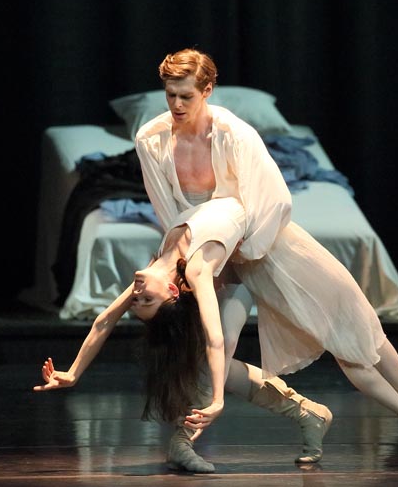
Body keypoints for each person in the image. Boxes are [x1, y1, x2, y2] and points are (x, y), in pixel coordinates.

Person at [133, 48, 398, 465]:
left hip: (263, 247)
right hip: (211, 257)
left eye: (185, 96)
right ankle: (195, 438)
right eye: (170, 95)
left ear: (208, 90)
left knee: (350, 331)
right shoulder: (151, 139)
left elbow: (273, 202)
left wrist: (239, 247)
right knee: (214, 354)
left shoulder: (235, 134)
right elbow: (169, 211)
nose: (176, 105)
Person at [34, 198, 331, 473]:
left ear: (172, 289)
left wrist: (217, 401)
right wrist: (73, 374)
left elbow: (106, 319)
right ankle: (305, 413)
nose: (136, 296)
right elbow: (107, 321)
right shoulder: (183, 274)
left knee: (218, 351)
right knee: (215, 356)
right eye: (143, 301)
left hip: (240, 269)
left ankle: (186, 440)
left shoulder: (166, 270)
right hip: (228, 275)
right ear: (172, 291)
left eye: (140, 301)